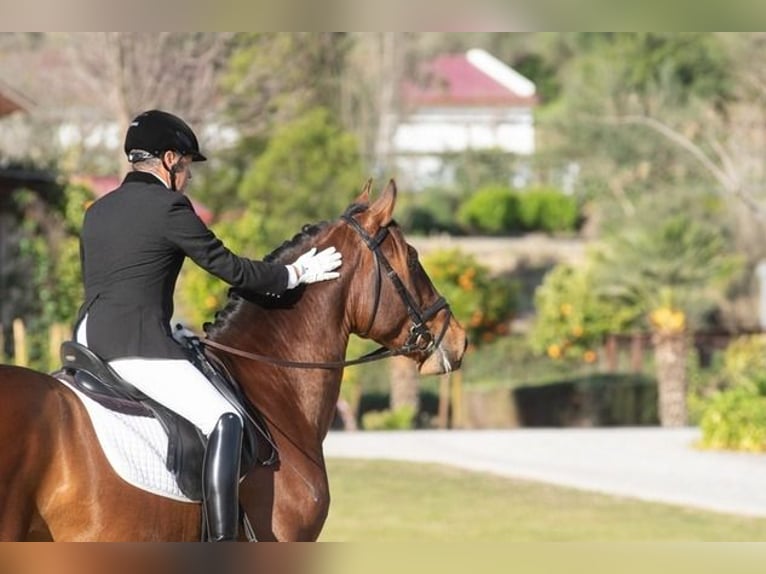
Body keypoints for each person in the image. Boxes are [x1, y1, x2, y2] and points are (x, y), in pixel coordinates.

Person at [74, 109, 342, 541]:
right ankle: (222, 545)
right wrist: (295, 275)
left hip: (87, 339)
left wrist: (172, 326)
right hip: (135, 345)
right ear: (167, 159)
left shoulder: (97, 211)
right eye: (185, 165)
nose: (188, 176)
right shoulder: (169, 206)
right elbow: (229, 267)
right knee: (224, 418)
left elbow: (121, 283)